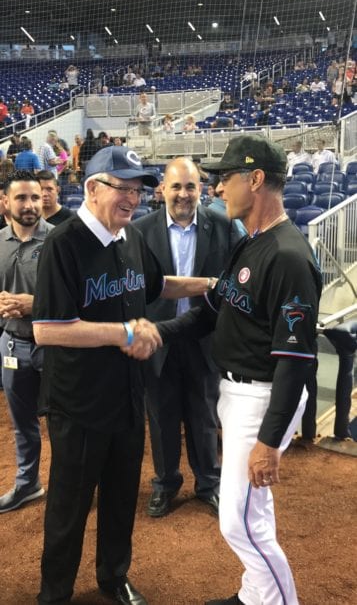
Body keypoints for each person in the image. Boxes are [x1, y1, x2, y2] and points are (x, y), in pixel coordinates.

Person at [31, 146, 214, 605]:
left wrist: (212, 285)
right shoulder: (63, 244)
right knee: (70, 507)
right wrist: (123, 331)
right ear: (92, 188)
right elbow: (48, 330)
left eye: (139, 190)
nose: (134, 199)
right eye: (124, 189)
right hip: (80, 404)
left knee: (119, 497)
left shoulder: (130, 239)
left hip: (129, 396)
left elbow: (160, 285)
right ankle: (55, 593)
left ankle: (113, 577)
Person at [155, 135, 322, 605]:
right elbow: (211, 309)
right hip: (236, 394)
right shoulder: (250, 243)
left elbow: (295, 361)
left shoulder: (288, 256)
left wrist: (269, 444)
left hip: (263, 397)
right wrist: (158, 332)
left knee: (240, 521)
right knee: (251, 514)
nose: (217, 189)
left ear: (255, 179)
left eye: (225, 178)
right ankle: (255, 595)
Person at [134, 157, 240, 519]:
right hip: (159, 341)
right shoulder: (140, 230)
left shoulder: (224, 226)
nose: (183, 194)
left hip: (204, 339)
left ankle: (208, 483)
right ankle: (165, 483)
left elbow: (237, 279)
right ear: (162, 188)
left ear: (201, 189)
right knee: (161, 415)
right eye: (176, 186)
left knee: (204, 414)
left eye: (190, 186)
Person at [0, 170, 54, 514]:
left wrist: (34, 304)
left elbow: (77, 297)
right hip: (12, 345)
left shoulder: (60, 240)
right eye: (21, 198)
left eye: (35, 197)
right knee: (23, 424)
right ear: (6, 202)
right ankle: (27, 484)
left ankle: (68, 488)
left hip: (55, 345)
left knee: (64, 423)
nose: (30, 204)